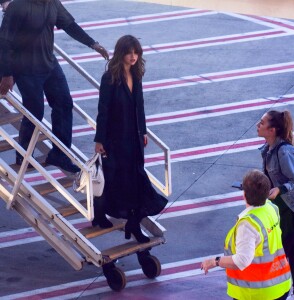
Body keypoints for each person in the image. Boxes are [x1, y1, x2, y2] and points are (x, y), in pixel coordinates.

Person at [0, 0, 109, 173]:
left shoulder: (52, 4)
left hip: (49, 64)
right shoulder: (18, 6)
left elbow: (70, 25)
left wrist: (92, 43)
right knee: (34, 112)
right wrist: (6, 74)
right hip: (25, 68)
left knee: (64, 104)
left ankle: (60, 155)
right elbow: (4, 42)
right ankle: (23, 155)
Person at [93, 35, 168, 243]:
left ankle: (133, 223)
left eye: (136, 52)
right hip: (115, 139)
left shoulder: (136, 74)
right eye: (129, 52)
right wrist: (99, 139)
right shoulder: (110, 78)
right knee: (112, 179)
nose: (133, 56)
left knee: (136, 180)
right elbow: (103, 110)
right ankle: (100, 214)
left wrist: (142, 131)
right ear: (121, 53)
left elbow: (140, 106)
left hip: (133, 138)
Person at [201, 169, 291, 300]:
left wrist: (215, 261)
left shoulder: (248, 225)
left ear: (244, 195)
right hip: (280, 284)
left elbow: (242, 260)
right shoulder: (271, 208)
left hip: (257, 293)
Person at [257, 110, 294, 299]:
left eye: (262, 122)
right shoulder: (267, 149)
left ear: (272, 130)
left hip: (293, 211)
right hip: (279, 210)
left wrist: (280, 189)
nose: (258, 125)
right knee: (283, 252)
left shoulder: (284, 152)